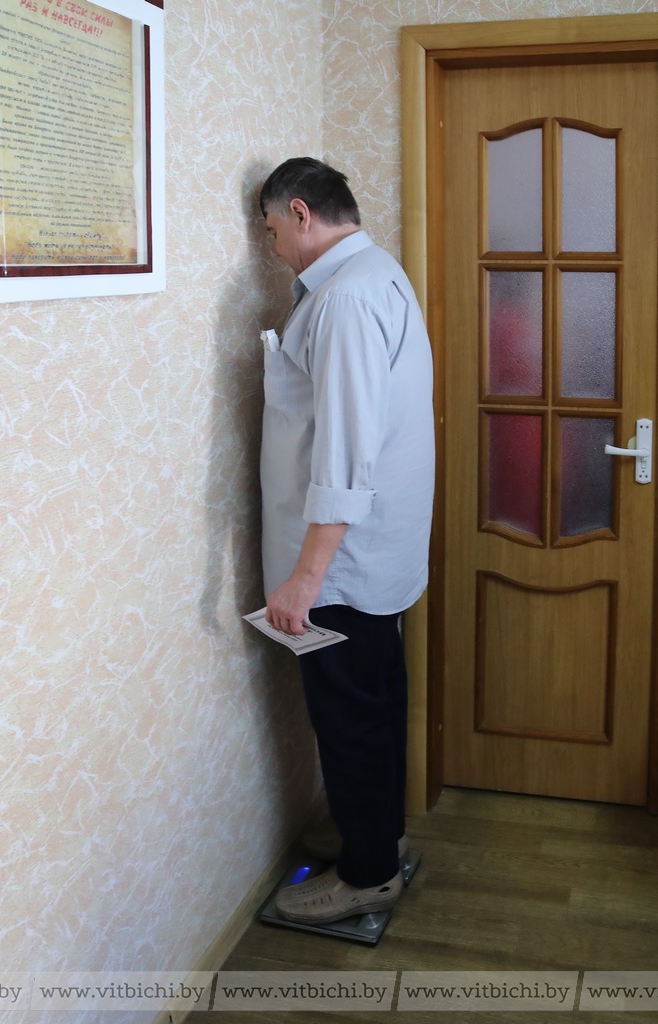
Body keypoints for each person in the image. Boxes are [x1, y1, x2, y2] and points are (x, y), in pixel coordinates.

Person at [259, 157, 435, 924]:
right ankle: (375, 837)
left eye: (272, 229)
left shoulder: (345, 299)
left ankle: (367, 876)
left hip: (340, 566)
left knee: (349, 718)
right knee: (374, 703)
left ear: (301, 213)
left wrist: (306, 578)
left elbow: (342, 455)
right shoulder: (375, 272)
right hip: (370, 557)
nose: (272, 248)